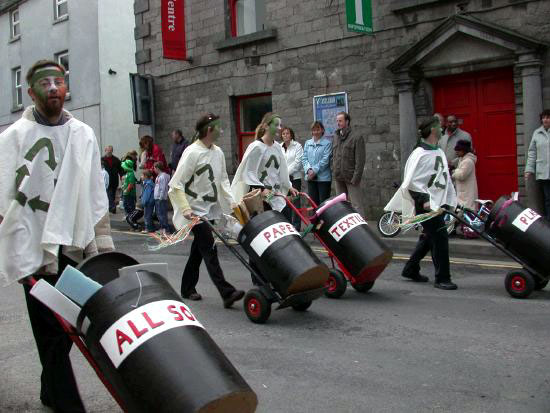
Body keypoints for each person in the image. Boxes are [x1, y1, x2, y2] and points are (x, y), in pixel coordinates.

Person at [0, 59, 114, 411]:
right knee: (50, 326)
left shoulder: (83, 134)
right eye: (43, 83)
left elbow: (95, 192)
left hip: (74, 244)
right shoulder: (13, 138)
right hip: (32, 245)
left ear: (66, 88)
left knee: (67, 325)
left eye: (58, 81)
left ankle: (51, 389)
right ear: (30, 92)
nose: (52, 88)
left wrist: (103, 244)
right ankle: (67, 402)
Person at [169, 113, 245, 308]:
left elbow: (222, 181)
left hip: (210, 209)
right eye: (218, 127)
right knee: (209, 247)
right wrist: (185, 208)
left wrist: (232, 202)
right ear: (209, 130)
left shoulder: (218, 152)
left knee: (198, 251)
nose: (221, 130)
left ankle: (187, 288)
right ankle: (226, 292)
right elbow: (176, 184)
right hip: (194, 212)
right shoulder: (192, 152)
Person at [385, 116, 458, 290]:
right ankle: (442, 278)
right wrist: (424, 200)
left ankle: (410, 269)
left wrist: (449, 200)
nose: (442, 129)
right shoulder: (419, 154)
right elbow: (411, 182)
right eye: (439, 127)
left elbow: (443, 180)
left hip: (437, 203)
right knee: (439, 238)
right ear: (433, 130)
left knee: (428, 237)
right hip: (426, 205)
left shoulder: (438, 151)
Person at [231, 112, 299, 212]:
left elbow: (283, 169)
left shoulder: (277, 147)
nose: (279, 128)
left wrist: (289, 186)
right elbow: (249, 172)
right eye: (276, 125)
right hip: (260, 198)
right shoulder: (256, 147)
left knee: (285, 219)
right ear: (266, 126)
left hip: (275, 194)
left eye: (280, 125)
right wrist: (262, 189)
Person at [332, 111, 366, 214]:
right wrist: (333, 170)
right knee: (341, 205)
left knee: (356, 205)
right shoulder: (336, 136)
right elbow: (333, 156)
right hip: (338, 176)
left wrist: (356, 178)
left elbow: (360, 160)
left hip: (351, 177)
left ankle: (361, 228)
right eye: (337, 121)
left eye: (340, 121)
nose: (338, 123)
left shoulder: (356, 137)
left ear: (347, 121)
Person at [525, 109, 550, 220]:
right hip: (544, 172)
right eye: (543, 117)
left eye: (548, 117)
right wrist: (529, 169)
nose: (545, 119)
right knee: (548, 199)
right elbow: (532, 153)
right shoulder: (537, 133)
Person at [302, 120, 332, 205]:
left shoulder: (327, 143)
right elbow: (304, 158)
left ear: (322, 130)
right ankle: (316, 219)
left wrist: (314, 171)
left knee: (324, 204)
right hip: (311, 178)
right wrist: (308, 170)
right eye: (314, 130)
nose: (316, 132)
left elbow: (325, 160)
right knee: (313, 204)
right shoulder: (308, 143)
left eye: (318, 129)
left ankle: (323, 219)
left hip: (323, 179)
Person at [280, 126, 303, 230]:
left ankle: (297, 227)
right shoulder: (279, 147)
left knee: (295, 204)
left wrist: (285, 173)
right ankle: (288, 226)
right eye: (283, 133)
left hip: (294, 178)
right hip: (283, 181)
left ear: (291, 135)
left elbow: (298, 163)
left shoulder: (297, 146)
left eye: (287, 133)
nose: (285, 135)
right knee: (285, 203)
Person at [452, 140, 478, 210]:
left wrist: (454, 171)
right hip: (463, 193)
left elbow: (462, 175)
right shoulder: (462, 159)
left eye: (459, 150)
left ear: (464, 150)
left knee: (466, 211)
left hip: (466, 194)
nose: (456, 152)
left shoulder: (468, 161)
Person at [101, 145, 122, 213]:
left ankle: (110, 207)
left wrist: (122, 177)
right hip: (106, 180)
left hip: (114, 180)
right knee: (109, 193)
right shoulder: (102, 159)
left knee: (112, 194)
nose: (109, 152)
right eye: (108, 151)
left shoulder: (116, 160)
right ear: (105, 150)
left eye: (110, 151)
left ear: (112, 151)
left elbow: (120, 169)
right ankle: (112, 207)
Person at [154, 161, 171, 234]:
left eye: (154, 168)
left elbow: (163, 188)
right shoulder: (159, 176)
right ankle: (162, 228)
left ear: (157, 168)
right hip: (158, 198)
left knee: (162, 214)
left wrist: (160, 197)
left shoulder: (163, 176)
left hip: (161, 198)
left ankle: (165, 229)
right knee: (160, 214)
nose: (154, 169)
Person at [141, 169, 156, 233]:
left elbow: (147, 195)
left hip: (148, 202)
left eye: (142, 175)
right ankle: (151, 228)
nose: (141, 176)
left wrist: (144, 202)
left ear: (146, 176)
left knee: (147, 215)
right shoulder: (149, 183)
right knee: (148, 215)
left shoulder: (148, 184)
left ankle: (148, 228)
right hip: (150, 202)